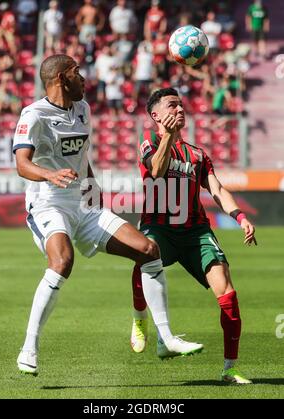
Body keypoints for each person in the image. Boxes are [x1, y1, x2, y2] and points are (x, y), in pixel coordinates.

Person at [13, 55, 203, 376]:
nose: (84, 79)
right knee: (62, 262)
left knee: (148, 251)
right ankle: (29, 347)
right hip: (49, 202)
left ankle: (166, 338)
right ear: (61, 77)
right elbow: (22, 164)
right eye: (77, 73)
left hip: (84, 203)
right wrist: (49, 175)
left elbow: (81, 156)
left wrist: (93, 187)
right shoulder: (34, 115)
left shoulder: (82, 109)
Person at [130, 87, 257, 384]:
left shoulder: (198, 155)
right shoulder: (148, 142)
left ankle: (230, 368)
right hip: (158, 226)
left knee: (227, 292)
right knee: (143, 255)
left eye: (181, 105)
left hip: (195, 231)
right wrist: (170, 138)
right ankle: (139, 320)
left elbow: (217, 189)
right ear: (155, 115)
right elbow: (157, 172)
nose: (179, 110)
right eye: (172, 106)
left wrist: (240, 217)